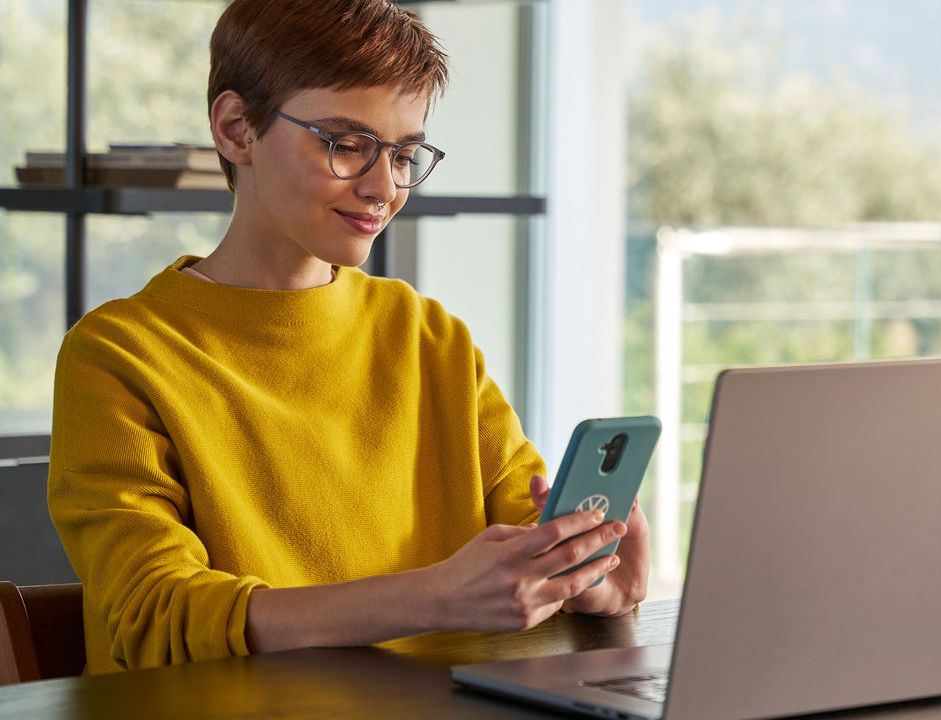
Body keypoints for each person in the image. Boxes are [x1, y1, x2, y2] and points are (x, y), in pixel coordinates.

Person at [47, 0, 648, 675]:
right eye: (347, 144)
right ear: (236, 128)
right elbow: (150, 613)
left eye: (405, 154)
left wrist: (583, 579)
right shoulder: (119, 355)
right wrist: (432, 599)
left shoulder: (429, 336)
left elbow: (522, 539)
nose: (383, 187)